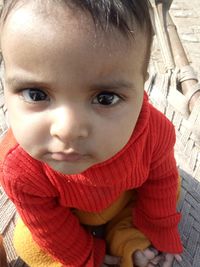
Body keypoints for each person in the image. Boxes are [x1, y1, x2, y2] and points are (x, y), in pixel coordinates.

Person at [0, 0, 183, 266]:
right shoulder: (18, 166)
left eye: (105, 98)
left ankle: (127, 239)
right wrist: (87, 257)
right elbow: (48, 225)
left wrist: (164, 232)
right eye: (36, 94)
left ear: (142, 88)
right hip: (63, 213)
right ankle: (107, 247)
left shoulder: (154, 131)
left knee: (171, 188)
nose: (67, 130)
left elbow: (161, 179)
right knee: (29, 243)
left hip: (122, 198)